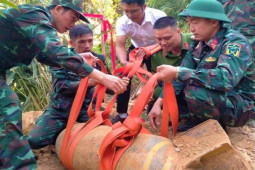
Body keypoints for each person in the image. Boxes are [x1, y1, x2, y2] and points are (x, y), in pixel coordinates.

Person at [0, 1, 127, 169]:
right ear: (58, 9)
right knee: (8, 106)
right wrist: (100, 77)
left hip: (83, 110)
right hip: (60, 110)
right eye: (72, 18)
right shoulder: (35, 15)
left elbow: (45, 56)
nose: (73, 24)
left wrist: (87, 64)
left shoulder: (47, 35)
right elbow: (55, 54)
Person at [149, 0, 255, 132]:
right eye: (189, 23)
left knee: (194, 90)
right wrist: (159, 103)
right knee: (168, 82)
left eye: (195, 22)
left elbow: (225, 79)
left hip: (240, 104)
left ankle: (215, 126)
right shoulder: (198, 43)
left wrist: (178, 72)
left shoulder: (234, 43)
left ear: (213, 22)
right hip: (218, 95)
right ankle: (195, 118)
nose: (191, 28)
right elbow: (181, 73)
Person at [27, 24, 114, 149]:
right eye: (82, 42)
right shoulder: (60, 57)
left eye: (90, 40)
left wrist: (118, 82)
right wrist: (90, 83)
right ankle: (59, 131)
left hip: (88, 109)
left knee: (114, 129)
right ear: (71, 42)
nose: (87, 45)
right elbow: (61, 87)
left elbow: (110, 90)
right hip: (61, 110)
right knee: (34, 141)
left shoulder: (98, 59)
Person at [115, 0, 166, 122]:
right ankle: (121, 114)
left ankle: (154, 109)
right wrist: (124, 62)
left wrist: (148, 49)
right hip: (136, 50)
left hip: (158, 47)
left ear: (144, 6)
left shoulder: (158, 16)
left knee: (158, 77)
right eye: (126, 11)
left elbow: (167, 38)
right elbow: (120, 45)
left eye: (134, 11)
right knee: (124, 76)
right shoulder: (122, 21)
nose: (130, 15)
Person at [147, 16, 192, 116]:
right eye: (159, 39)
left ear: (178, 31)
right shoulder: (156, 54)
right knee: (157, 91)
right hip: (171, 85)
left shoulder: (194, 41)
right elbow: (157, 78)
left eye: (167, 38)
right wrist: (150, 91)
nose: (163, 43)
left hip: (194, 82)